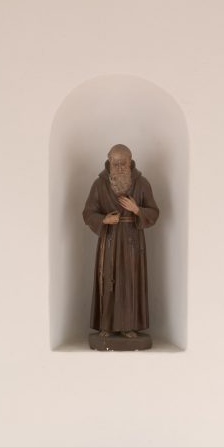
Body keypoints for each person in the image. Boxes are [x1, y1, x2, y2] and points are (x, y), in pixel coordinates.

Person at [82, 144, 159, 340]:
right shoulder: (99, 185)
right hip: (109, 240)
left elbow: (154, 213)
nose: (119, 168)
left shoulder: (142, 184)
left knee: (130, 282)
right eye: (115, 164)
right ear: (109, 162)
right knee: (108, 280)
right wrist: (104, 220)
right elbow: (88, 213)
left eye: (123, 163)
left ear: (130, 161)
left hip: (132, 241)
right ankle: (106, 325)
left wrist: (137, 209)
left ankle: (128, 325)